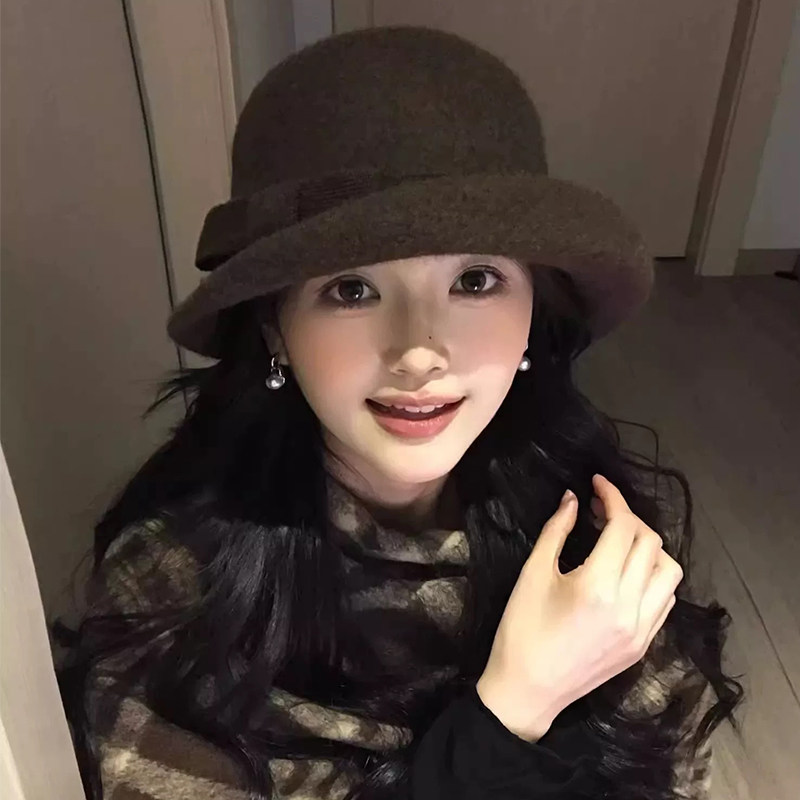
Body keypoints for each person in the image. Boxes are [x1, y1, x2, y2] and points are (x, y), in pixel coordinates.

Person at [52, 25, 744, 800]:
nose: (419, 352)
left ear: (534, 310)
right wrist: (513, 710)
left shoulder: (594, 527)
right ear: (276, 327)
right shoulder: (176, 595)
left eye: (475, 280)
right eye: (352, 289)